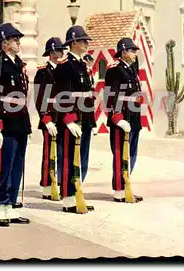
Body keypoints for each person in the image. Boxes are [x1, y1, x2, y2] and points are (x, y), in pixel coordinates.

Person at [0, 22, 32, 227]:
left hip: (19, 120)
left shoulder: (19, 64)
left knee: (17, 165)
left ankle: (10, 205)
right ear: (4, 43)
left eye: (18, 39)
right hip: (5, 121)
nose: (18, 42)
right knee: (3, 165)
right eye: (14, 39)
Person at [52, 25, 96, 214]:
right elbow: (61, 94)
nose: (87, 44)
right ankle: (69, 198)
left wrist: (90, 120)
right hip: (72, 119)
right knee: (69, 158)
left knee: (83, 158)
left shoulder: (82, 65)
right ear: (74, 42)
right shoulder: (64, 65)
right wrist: (69, 119)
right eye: (84, 41)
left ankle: (78, 192)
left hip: (84, 117)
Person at [104, 37, 144, 203]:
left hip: (133, 117)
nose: (135, 53)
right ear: (123, 51)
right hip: (122, 117)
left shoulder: (132, 69)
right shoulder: (115, 69)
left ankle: (126, 184)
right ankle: (119, 190)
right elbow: (111, 95)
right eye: (132, 50)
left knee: (131, 154)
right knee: (121, 154)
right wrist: (117, 117)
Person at [33, 37, 66, 199]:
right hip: (50, 117)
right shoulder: (42, 72)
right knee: (48, 153)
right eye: (59, 50)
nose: (61, 53)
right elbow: (39, 98)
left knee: (61, 152)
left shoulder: (64, 70)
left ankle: (58, 182)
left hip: (63, 117)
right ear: (52, 52)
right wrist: (46, 119)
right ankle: (47, 185)